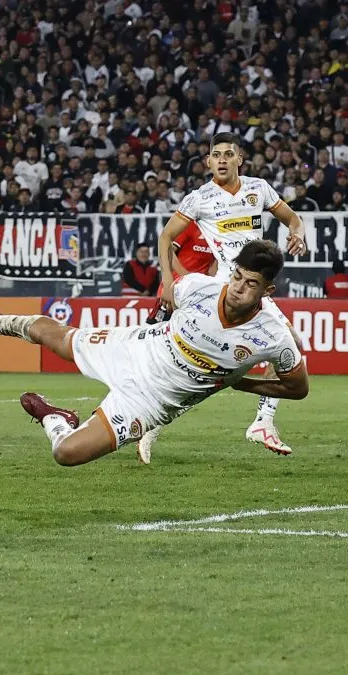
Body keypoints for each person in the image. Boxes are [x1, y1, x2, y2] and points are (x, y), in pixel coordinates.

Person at [0, 240, 308, 467]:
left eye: (251, 284)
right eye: (238, 276)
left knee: (66, 453)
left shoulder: (273, 336)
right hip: (138, 348)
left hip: (152, 402)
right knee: (60, 339)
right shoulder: (198, 287)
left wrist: (241, 385)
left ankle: (56, 417)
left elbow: (297, 389)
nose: (238, 288)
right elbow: (168, 297)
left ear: (269, 290)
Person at [153, 132, 308, 456]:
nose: (222, 159)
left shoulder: (258, 189)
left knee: (287, 346)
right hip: (225, 290)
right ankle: (152, 418)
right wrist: (169, 282)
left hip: (252, 290)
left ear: (239, 159)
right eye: (216, 154)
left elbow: (292, 218)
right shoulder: (199, 198)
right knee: (201, 367)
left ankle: (263, 421)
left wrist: (298, 234)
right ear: (208, 161)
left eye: (228, 154)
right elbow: (166, 238)